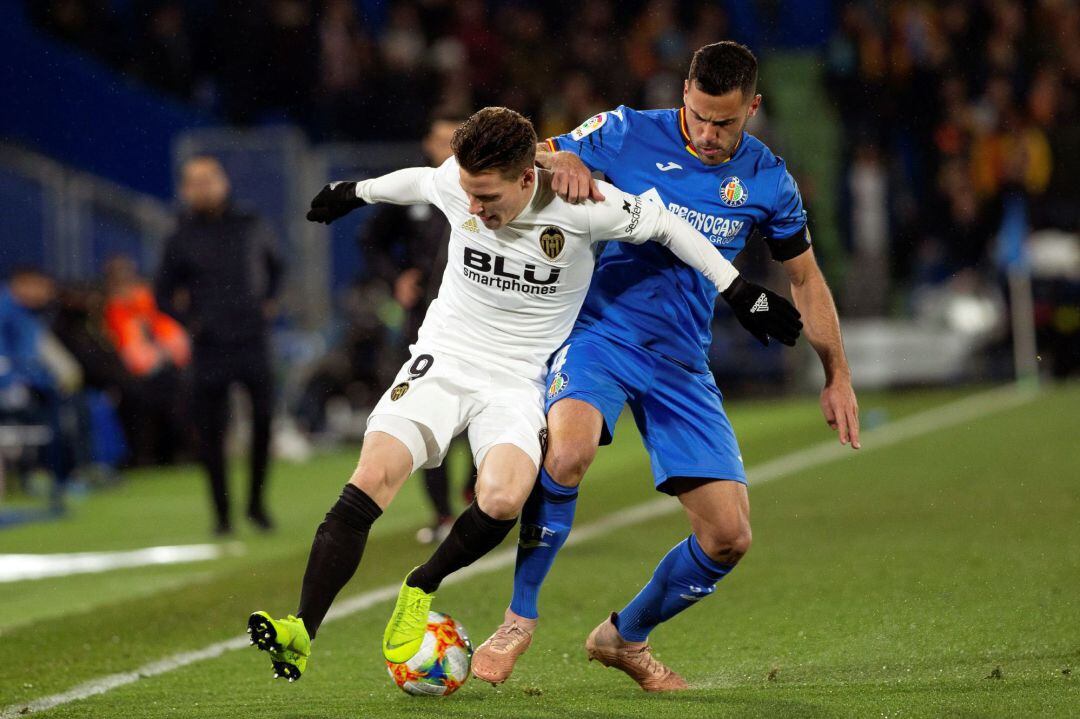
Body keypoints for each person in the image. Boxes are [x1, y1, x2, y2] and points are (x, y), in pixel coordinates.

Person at [245, 106, 801, 682]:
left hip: (519, 380)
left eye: (489, 199)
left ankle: (419, 588)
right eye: (470, 195)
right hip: (445, 360)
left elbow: (668, 226)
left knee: (505, 498)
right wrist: (352, 191)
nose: (476, 209)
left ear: (527, 178)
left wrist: (738, 291)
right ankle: (300, 630)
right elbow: (415, 180)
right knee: (374, 475)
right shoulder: (459, 185)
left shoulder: (585, 209)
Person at [472, 42, 861, 692]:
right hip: (600, 332)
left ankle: (624, 636)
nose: (709, 136)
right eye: (700, 117)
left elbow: (805, 277)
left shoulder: (768, 181)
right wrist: (558, 154)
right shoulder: (624, 131)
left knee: (729, 536)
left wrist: (837, 371)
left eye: (726, 124)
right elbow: (525, 151)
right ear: (684, 92)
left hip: (681, 361)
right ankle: (518, 617)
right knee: (567, 454)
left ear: (753, 110)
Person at [358, 112, 476, 544]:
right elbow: (369, 240)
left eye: (455, 140)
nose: (447, 148)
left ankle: (477, 486)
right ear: (427, 143)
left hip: (477, 319)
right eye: (441, 139)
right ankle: (444, 514)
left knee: (483, 407)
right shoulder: (418, 189)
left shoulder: (483, 184)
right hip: (425, 318)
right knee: (430, 412)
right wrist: (395, 278)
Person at [155, 156, 283, 535]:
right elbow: (161, 294)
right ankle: (222, 515)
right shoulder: (179, 236)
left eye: (210, 179)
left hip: (251, 339)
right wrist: (190, 324)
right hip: (210, 345)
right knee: (211, 432)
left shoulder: (250, 224)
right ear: (184, 190)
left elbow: (277, 267)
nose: (204, 187)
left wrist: (268, 303)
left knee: (263, 420)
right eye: (195, 181)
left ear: (223, 181)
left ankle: (257, 505)